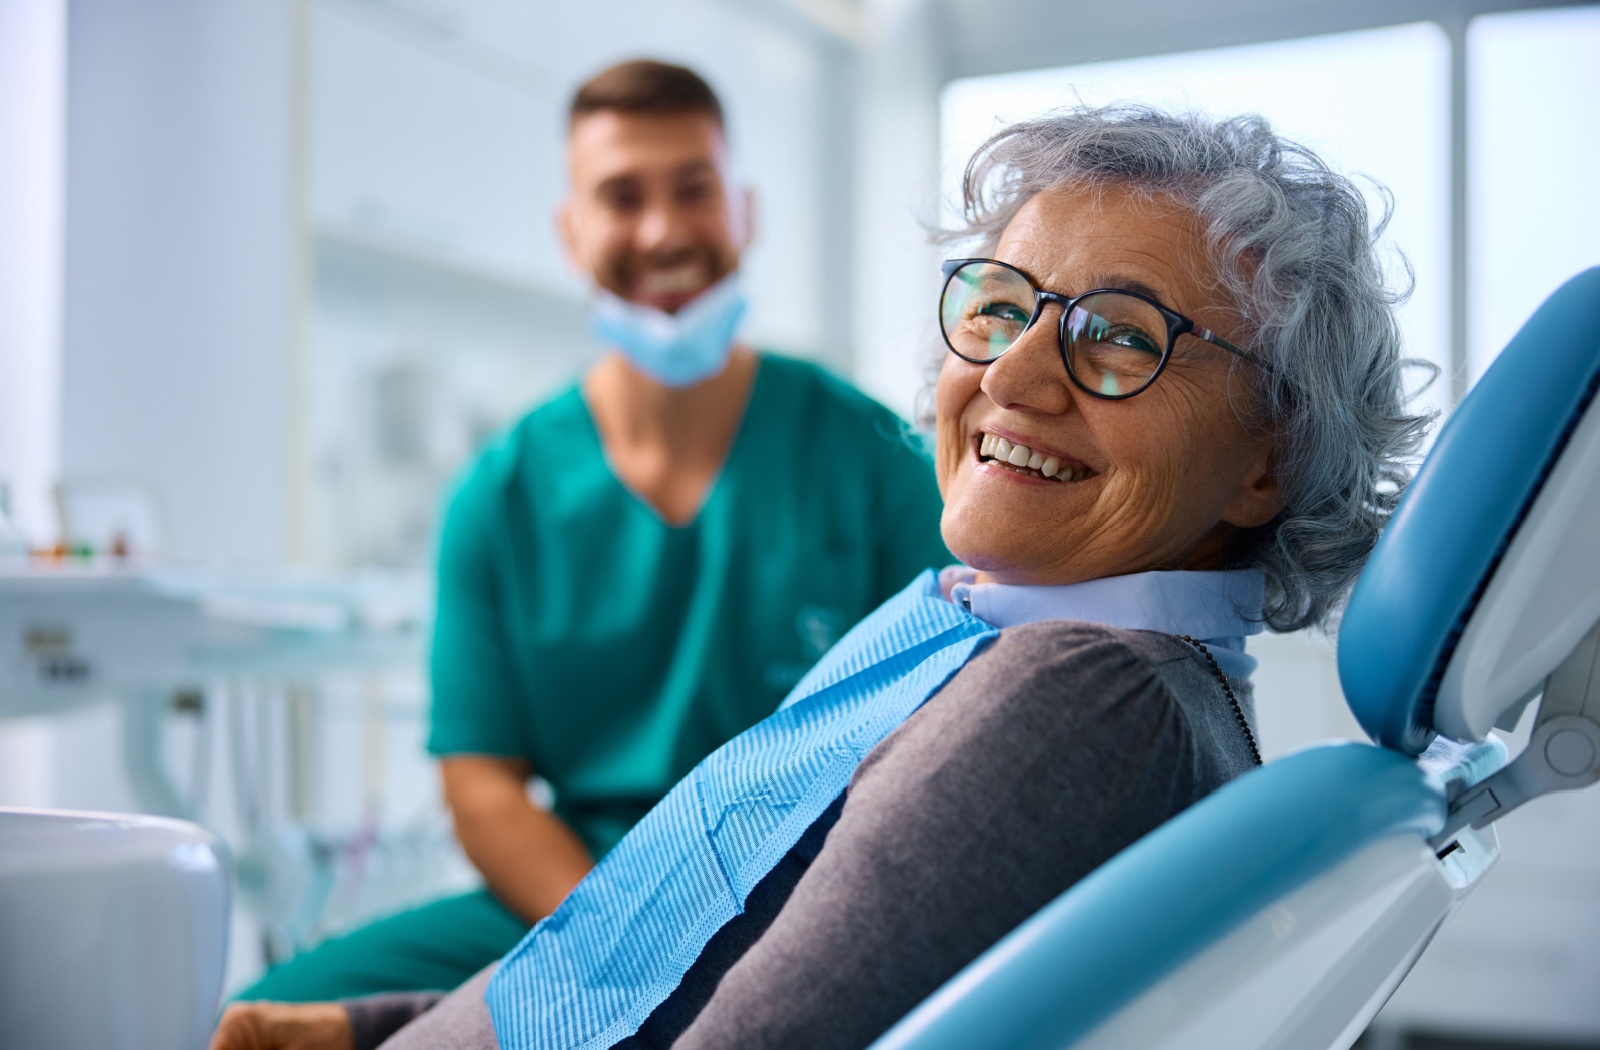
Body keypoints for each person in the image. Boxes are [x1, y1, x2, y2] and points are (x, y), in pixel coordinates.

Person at [214, 103, 1428, 1050]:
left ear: (1269, 456)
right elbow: (683, 936)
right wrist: (376, 1029)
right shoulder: (1010, 639)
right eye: (1001, 308)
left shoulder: (1077, 698)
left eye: (1120, 332)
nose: (1011, 379)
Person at [233, 60, 950, 1004]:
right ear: (572, 233)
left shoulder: (871, 456)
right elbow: (483, 788)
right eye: (621, 197)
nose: (661, 229)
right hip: (579, 891)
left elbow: (946, 722)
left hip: (816, 883)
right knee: (270, 1017)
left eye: (693, 190)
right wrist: (624, 944)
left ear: (746, 212)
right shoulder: (501, 495)